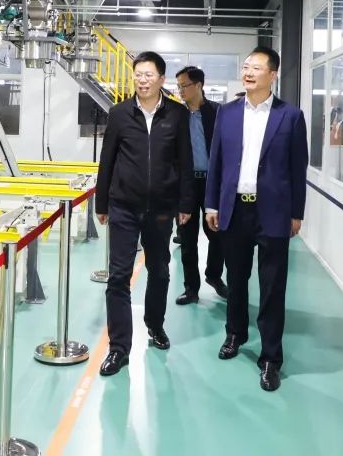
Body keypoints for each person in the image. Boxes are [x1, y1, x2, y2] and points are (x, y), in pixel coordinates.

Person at [205, 46, 308, 392]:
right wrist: (212, 204)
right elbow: (217, 161)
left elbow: (297, 168)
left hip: (273, 212)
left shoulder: (290, 116)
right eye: (246, 66)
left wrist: (296, 213)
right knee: (236, 279)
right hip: (235, 209)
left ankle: (270, 358)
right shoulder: (227, 112)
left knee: (272, 287)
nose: (248, 72)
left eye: (256, 68)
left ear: (272, 75)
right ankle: (235, 334)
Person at [95, 51, 194, 377]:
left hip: (162, 209)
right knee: (118, 277)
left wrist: (185, 203)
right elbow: (107, 160)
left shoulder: (177, 114)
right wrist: (101, 203)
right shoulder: (119, 114)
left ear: (161, 79)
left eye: (149, 74)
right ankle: (119, 348)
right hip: (123, 206)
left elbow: (185, 161)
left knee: (160, 271)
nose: (142, 80)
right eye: (138, 74)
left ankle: (155, 324)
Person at [173, 66, 227, 305]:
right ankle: (191, 288)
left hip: (212, 183)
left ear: (199, 85)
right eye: (178, 86)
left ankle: (214, 276)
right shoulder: (176, 114)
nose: (180, 90)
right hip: (185, 185)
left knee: (217, 234)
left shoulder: (218, 112)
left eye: (184, 85)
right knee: (187, 238)